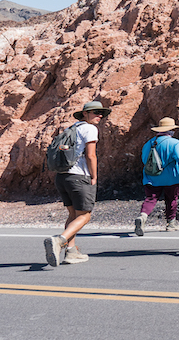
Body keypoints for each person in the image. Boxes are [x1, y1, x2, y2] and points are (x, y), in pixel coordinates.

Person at [45, 100, 110, 267]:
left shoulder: (72, 128)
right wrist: (94, 176)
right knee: (85, 215)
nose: (99, 115)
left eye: (101, 113)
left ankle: (71, 252)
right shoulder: (90, 129)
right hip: (79, 177)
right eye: (95, 112)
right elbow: (91, 155)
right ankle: (59, 240)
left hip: (62, 177)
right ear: (85, 114)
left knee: (73, 215)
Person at [135, 116, 179, 235]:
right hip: (172, 177)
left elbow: (144, 159)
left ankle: (143, 216)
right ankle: (171, 224)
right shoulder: (175, 143)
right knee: (171, 200)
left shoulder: (149, 143)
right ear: (171, 131)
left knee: (151, 198)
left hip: (151, 177)